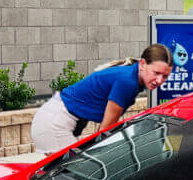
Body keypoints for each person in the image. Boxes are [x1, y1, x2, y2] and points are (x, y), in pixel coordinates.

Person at [31, 44, 173, 154]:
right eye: (156, 73)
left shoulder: (131, 76)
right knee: (75, 173)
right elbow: (105, 131)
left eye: (165, 76)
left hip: (56, 118)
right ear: (142, 64)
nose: (159, 80)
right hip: (55, 123)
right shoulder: (127, 82)